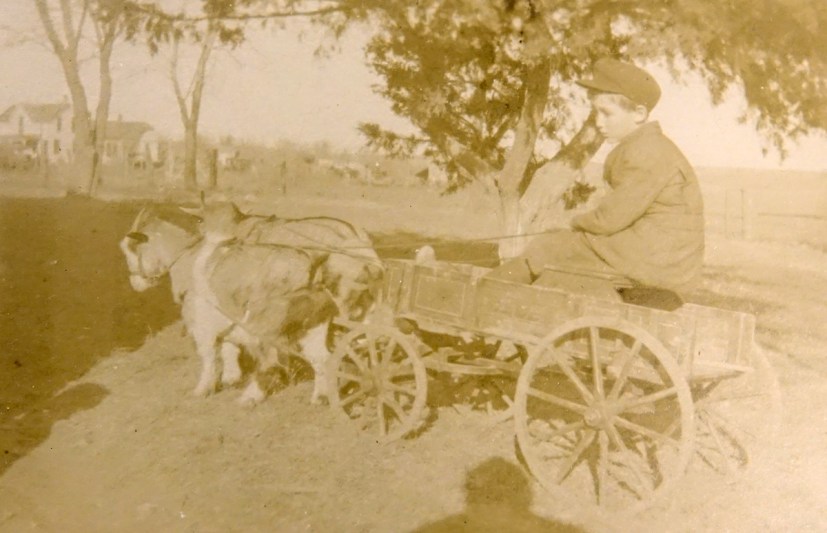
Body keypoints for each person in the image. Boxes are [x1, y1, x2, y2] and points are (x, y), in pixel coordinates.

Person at [488, 58, 705, 295]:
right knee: (558, 249)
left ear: (639, 113)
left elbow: (609, 219)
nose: (599, 123)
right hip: (658, 256)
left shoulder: (647, 152)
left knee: (548, 247)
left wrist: (569, 223)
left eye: (607, 114)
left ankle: (485, 297)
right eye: (595, 113)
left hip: (653, 259)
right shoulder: (645, 146)